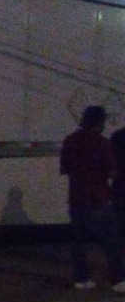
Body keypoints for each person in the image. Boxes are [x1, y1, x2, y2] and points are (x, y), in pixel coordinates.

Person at [59, 105, 125, 291]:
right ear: (99, 122)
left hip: (76, 199)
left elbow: (64, 168)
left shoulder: (70, 141)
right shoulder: (101, 143)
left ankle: (81, 279)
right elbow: (112, 171)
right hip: (98, 198)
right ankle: (119, 280)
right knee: (111, 241)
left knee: (79, 242)